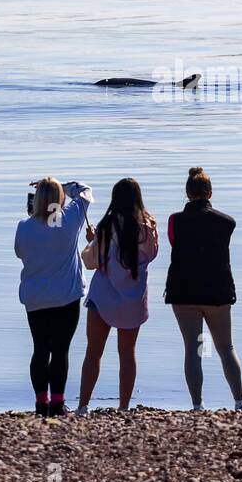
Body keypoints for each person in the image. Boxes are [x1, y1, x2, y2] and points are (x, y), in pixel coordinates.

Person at [164, 167, 242, 411]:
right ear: (210, 193)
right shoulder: (227, 222)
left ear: (187, 193)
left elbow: (174, 243)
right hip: (216, 293)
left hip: (184, 292)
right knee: (226, 348)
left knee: (193, 348)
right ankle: (240, 402)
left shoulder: (174, 221)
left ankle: (198, 405)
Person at [76, 178, 158, 415]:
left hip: (103, 297)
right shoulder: (148, 226)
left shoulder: (107, 225)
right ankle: (124, 406)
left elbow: (91, 262)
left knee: (93, 352)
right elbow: (150, 255)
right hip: (133, 299)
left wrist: (91, 243)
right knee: (127, 354)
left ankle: (83, 405)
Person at [14, 178, 91, 416]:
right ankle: (57, 403)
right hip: (66, 297)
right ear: (60, 199)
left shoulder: (24, 227)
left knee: (40, 349)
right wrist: (65, 186)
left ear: (36, 201)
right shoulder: (69, 220)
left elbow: (19, 252)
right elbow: (86, 192)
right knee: (60, 350)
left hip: (35, 300)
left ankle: (40, 403)